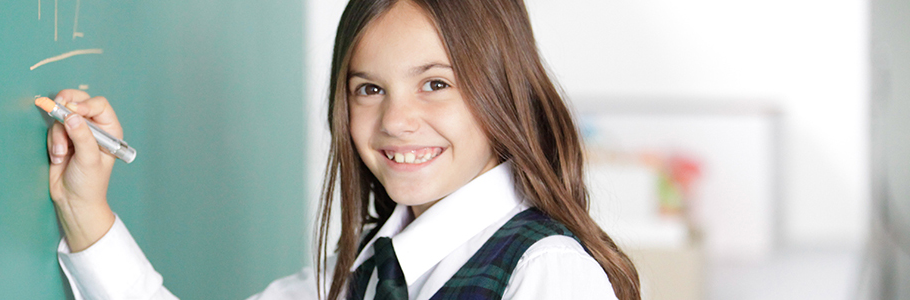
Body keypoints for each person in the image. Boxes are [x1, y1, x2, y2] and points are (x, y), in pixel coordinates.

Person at [43, 0, 641, 299]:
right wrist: (85, 208)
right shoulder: (356, 275)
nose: (397, 120)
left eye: (436, 84)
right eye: (369, 89)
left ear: (502, 91)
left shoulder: (547, 273)